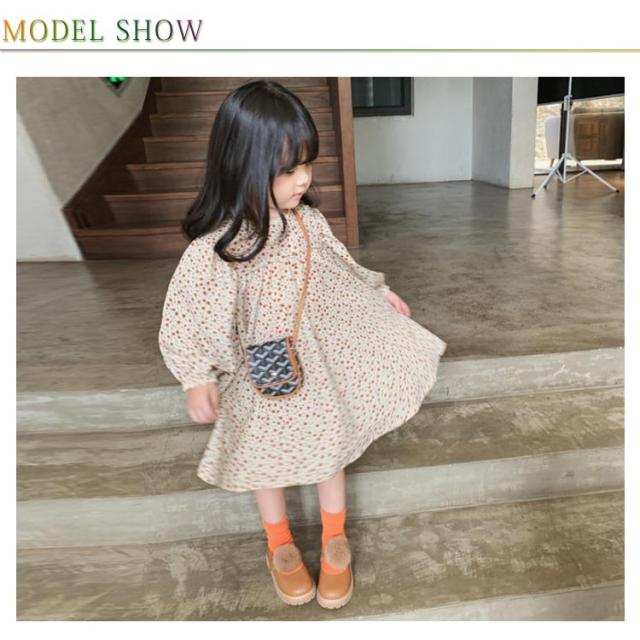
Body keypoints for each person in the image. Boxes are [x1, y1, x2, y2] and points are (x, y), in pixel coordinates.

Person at [158, 80, 447, 610]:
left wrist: (377, 291)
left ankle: (335, 536)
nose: (305, 179)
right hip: (258, 378)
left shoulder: (308, 222)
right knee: (265, 461)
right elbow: (188, 316)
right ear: (243, 164)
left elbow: (341, 268)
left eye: (307, 164)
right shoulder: (219, 247)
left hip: (317, 368)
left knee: (328, 448)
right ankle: (280, 544)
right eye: (288, 169)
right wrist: (195, 375)